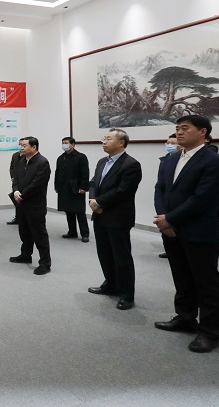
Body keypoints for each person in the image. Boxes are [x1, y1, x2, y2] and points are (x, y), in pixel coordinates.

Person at [154, 115, 219, 353]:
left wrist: (171, 219)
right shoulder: (171, 159)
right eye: (177, 128)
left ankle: (210, 333)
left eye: (185, 128)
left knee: (206, 283)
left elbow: (203, 198)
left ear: (203, 131)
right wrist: (164, 219)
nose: (179, 132)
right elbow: (160, 188)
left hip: (199, 231)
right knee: (182, 277)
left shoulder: (214, 161)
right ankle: (185, 318)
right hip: (171, 230)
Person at [87, 128, 142, 310]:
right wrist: (93, 200)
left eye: (108, 139)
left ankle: (126, 294)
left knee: (121, 257)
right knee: (104, 253)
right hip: (100, 214)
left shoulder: (131, 164)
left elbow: (124, 190)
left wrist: (100, 202)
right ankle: (110, 284)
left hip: (118, 216)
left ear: (121, 143)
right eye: (103, 138)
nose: (103, 142)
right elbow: (93, 183)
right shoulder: (102, 161)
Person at [10, 136, 52, 275]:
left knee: (39, 234)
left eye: (24, 145)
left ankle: (45, 263)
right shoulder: (22, 160)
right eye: (21, 145)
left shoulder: (42, 162)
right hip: (22, 203)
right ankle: (25, 255)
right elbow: (15, 179)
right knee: (24, 231)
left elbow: (37, 184)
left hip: (35, 205)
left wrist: (21, 195)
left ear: (34, 147)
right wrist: (15, 191)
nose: (21, 148)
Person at [55, 136, 90, 242]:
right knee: (68, 210)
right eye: (63, 143)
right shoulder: (61, 158)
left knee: (80, 211)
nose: (64, 145)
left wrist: (83, 187)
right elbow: (57, 173)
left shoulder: (81, 157)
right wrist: (56, 186)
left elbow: (85, 173)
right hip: (64, 188)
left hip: (76, 188)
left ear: (73, 144)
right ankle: (72, 232)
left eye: (66, 143)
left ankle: (85, 234)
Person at [158, 134, 179, 259]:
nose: (170, 145)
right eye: (168, 142)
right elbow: (159, 187)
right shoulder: (165, 160)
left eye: (173, 143)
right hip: (165, 204)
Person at [7, 139, 23, 224]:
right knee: (15, 198)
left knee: (21, 200)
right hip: (15, 181)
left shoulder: (27, 156)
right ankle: (18, 217)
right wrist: (13, 177)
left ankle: (22, 218)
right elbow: (11, 167)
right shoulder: (15, 155)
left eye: (22, 145)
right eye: (19, 144)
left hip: (23, 181)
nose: (20, 146)